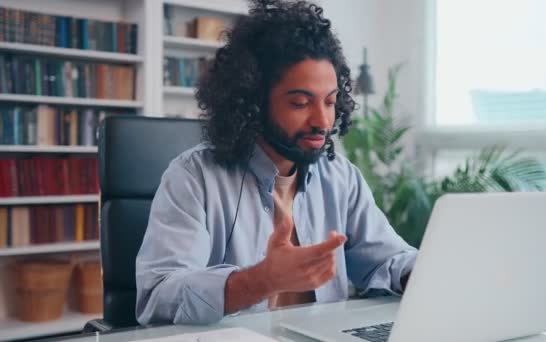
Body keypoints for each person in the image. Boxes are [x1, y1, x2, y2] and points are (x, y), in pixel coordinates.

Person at [135, 0, 418, 326]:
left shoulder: (341, 177)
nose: (322, 121)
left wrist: (419, 274)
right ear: (253, 101)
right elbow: (157, 297)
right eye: (300, 102)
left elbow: (388, 259)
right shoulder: (194, 177)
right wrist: (260, 280)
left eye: (330, 101)